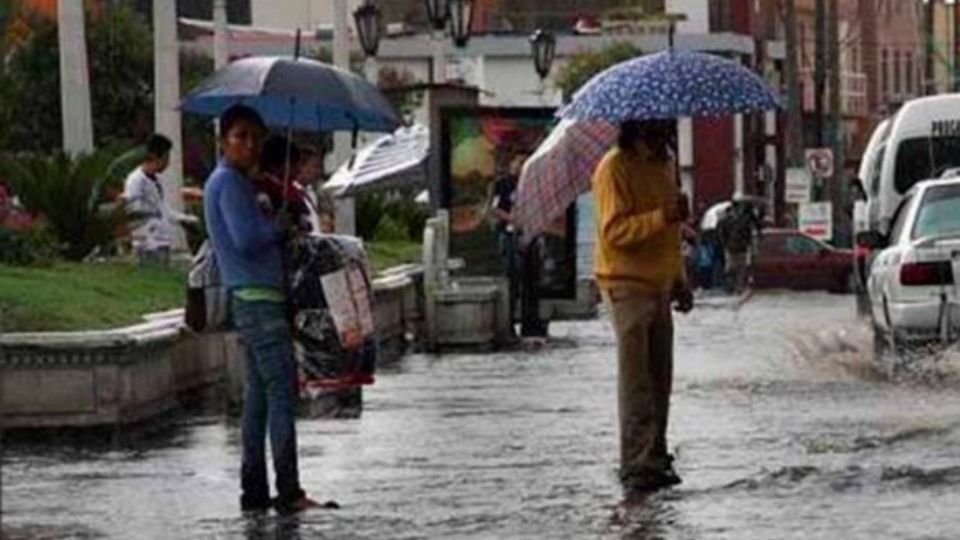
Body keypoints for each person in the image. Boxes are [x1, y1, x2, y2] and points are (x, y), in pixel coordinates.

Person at [203, 105, 321, 515]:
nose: (249, 145)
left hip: (257, 301)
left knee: (257, 400)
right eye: (240, 136)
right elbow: (247, 239)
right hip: (258, 302)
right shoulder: (229, 184)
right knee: (283, 393)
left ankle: (254, 492)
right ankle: (288, 491)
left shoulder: (237, 182)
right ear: (223, 140)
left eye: (255, 137)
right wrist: (279, 226)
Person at [592, 119, 693, 493]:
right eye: (660, 130)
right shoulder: (613, 168)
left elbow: (670, 233)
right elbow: (615, 232)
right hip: (626, 284)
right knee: (636, 380)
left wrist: (679, 279)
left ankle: (656, 452)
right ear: (639, 129)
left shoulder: (664, 165)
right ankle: (637, 462)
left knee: (659, 377)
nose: (667, 138)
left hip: (660, 284)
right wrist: (662, 215)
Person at [122, 134, 197, 266]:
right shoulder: (136, 181)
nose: (168, 163)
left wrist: (185, 219)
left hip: (161, 241)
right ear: (156, 157)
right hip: (147, 244)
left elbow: (163, 209)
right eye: (166, 158)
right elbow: (133, 211)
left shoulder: (156, 181)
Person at [491, 154, 524, 330]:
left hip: (524, 233)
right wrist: (511, 219)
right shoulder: (502, 184)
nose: (521, 166)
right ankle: (508, 317)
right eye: (518, 162)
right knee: (509, 270)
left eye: (524, 162)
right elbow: (495, 208)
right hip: (507, 232)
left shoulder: (529, 182)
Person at [718, 199, 762, 295]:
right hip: (740, 247)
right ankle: (737, 288)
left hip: (732, 248)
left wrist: (725, 243)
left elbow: (721, 233)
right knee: (739, 268)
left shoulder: (727, 219)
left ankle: (733, 287)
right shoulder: (743, 219)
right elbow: (751, 230)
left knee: (733, 268)